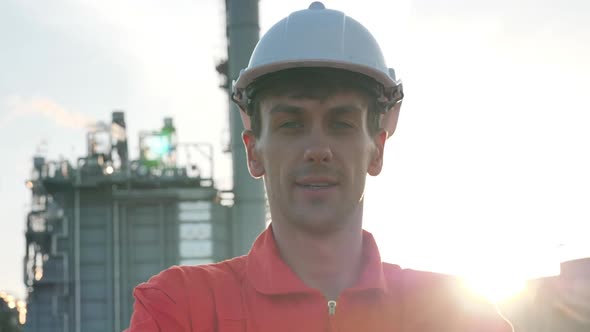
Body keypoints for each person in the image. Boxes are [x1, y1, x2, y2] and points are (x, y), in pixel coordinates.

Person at [126, 3, 513, 331]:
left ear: (377, 150)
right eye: (291, 123)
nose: (317, 149)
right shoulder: (180, 309)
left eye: (341, 123)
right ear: (253, 153)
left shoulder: (460, 316)